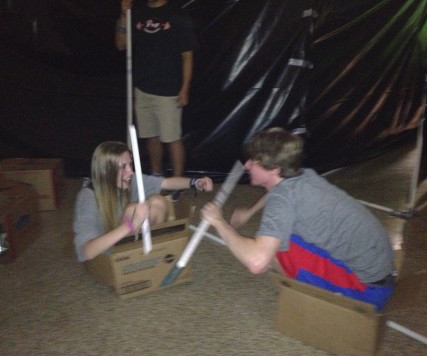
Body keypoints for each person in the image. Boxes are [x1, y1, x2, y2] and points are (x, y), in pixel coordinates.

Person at [201, 128, 396, 311]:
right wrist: (250, 212)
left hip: (368, 292)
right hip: (380, 270)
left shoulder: (283, 197)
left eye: (254, 161)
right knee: (280, 235)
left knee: (275, 249)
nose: (247, 165)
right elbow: (275, 191)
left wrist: (219, 222)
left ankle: (301, 299)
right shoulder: (302, 175)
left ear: (275, 169)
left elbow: (256, 263)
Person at [73, 141, 213, 262]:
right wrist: (131, 225)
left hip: (132, 242)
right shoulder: (88, 197)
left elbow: (166, 183)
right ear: (106, 171)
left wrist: (196, 183)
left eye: (130, 165)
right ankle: (136, 259)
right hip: (109, 253)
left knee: (158, 202)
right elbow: (86, 252)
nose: (130, 172)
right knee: (134, 209)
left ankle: (153, 253)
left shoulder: (130, 180)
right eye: (123, 167)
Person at [115, 0, 197, 177]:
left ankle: (177, 182)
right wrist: (123, 14)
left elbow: (187, 55)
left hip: (169, 90)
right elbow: (121, 44)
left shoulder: (177, 14)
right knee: (150, 136)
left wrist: (184, 89)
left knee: (172, 138)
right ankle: (156, 175)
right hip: (143, 87)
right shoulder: (136, 13)